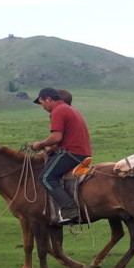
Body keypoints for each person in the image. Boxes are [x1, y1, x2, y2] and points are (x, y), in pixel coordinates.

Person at [30, 87, 92, 224]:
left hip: (72, 153)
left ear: (48, 99)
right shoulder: (69, 109)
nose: (42, 107)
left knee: (46, 177)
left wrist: (39, 144)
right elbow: (62, 138)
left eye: (42, 103)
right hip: (81, 151)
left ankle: (69, 209)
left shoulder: (57, 111)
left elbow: (57, 137)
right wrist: (48, 149)